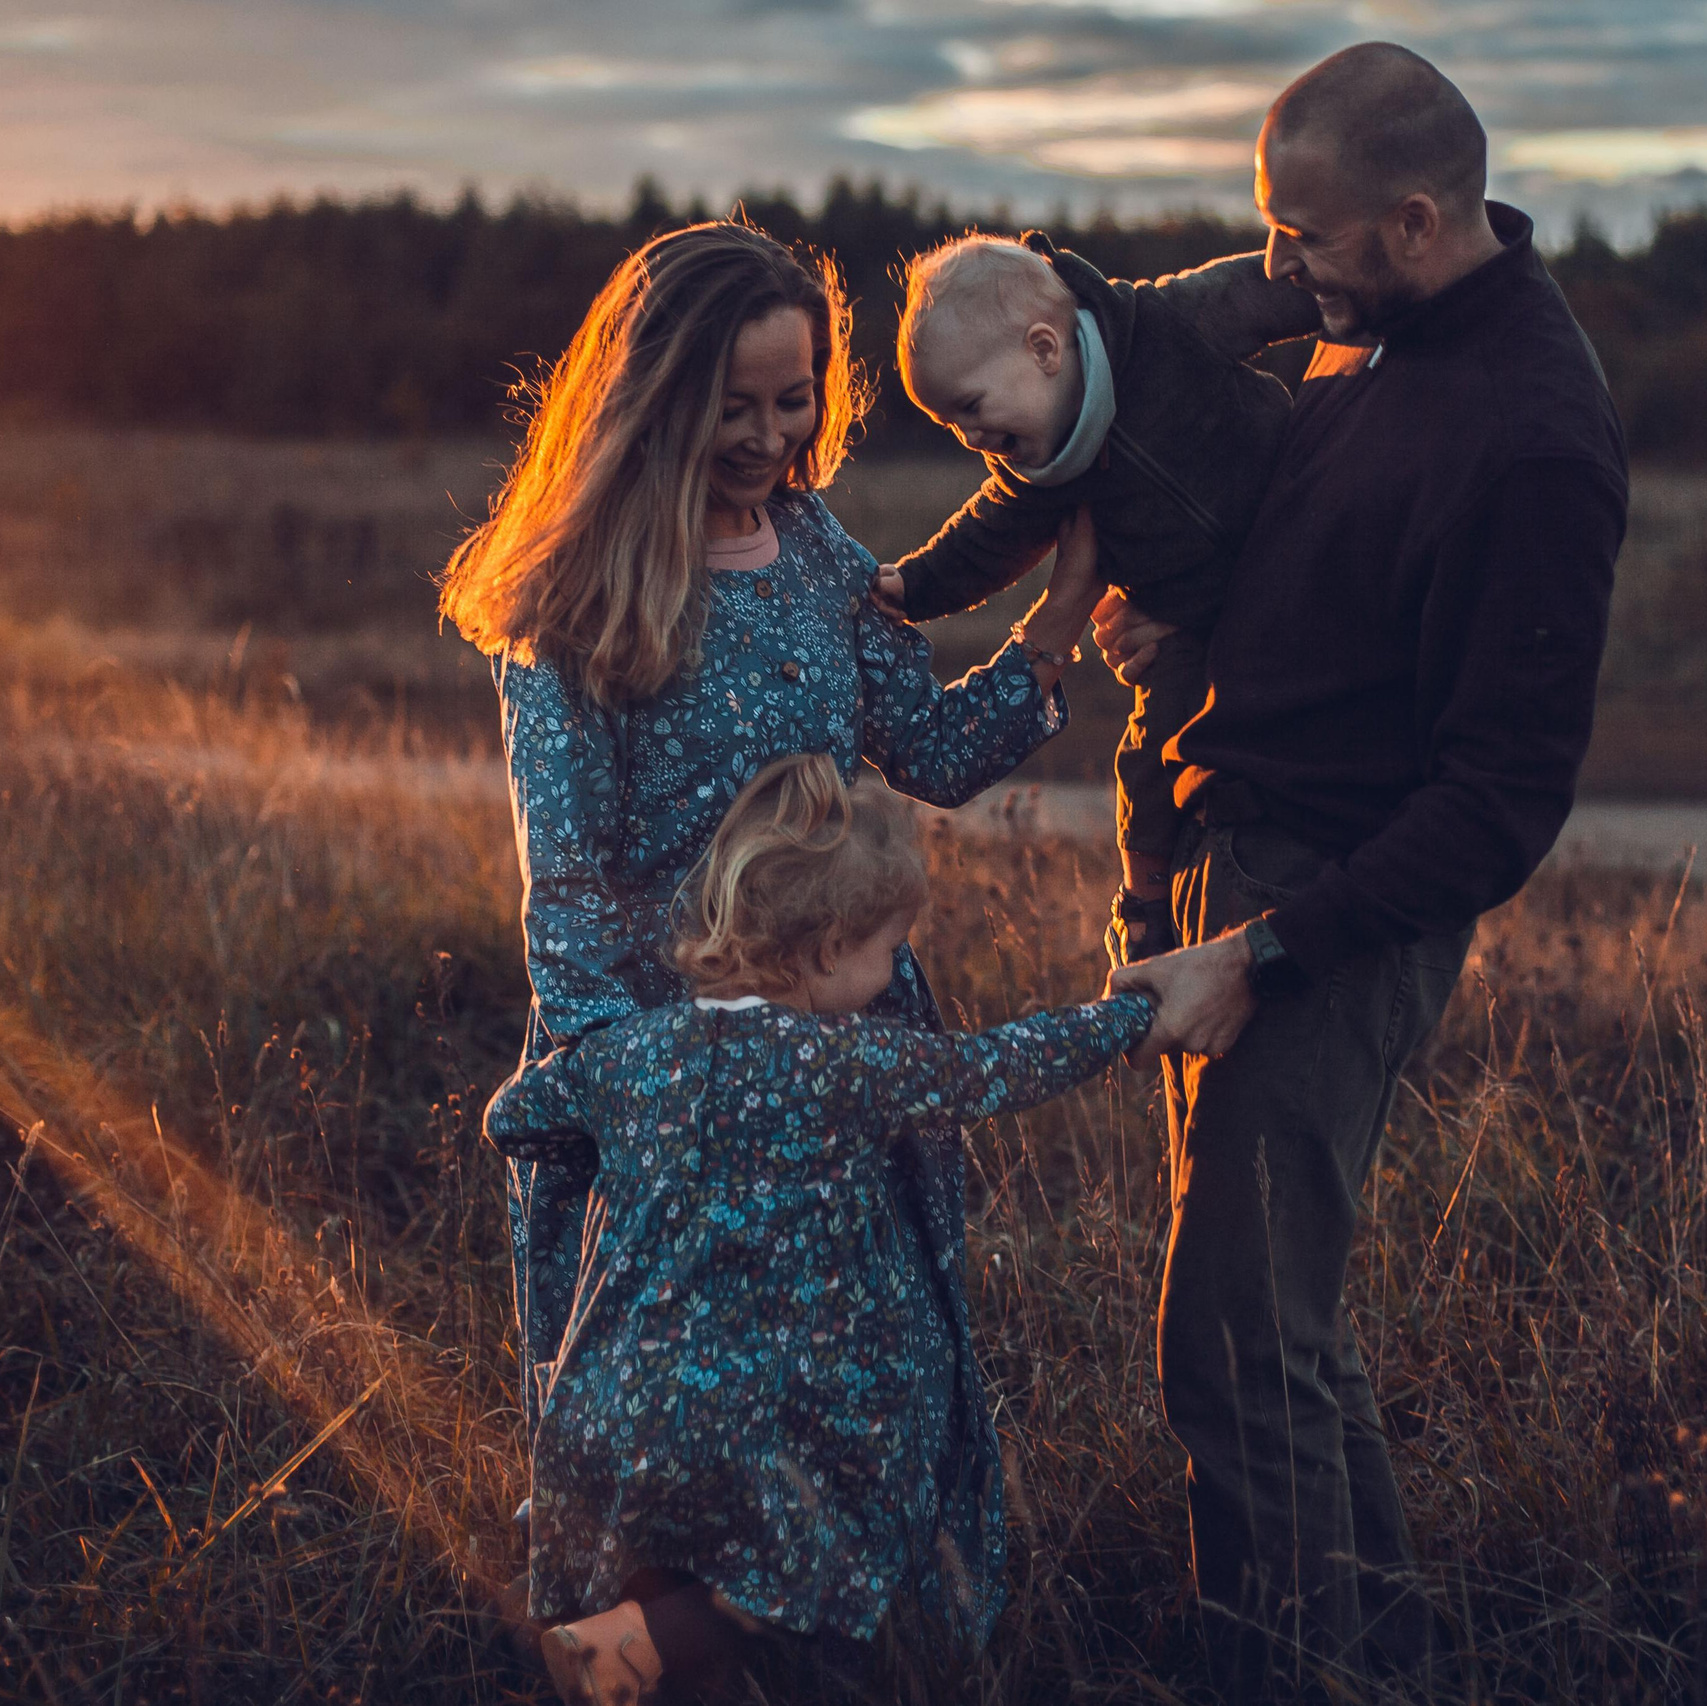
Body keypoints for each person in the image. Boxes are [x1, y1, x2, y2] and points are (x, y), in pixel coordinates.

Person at [438, 221, 1107, 1676]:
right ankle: (642, 1653)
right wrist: (655, 1088)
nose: (766, 434)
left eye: (793, 398)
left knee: (865, 1407)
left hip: (851, 1058)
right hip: (665, 1084)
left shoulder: (813, 548)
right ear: (650, 390)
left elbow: (922, 749)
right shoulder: (573, 593)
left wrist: (1054, 623)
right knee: (679, 1434)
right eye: (730, 404)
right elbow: (569, 894)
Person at [1093, 41, 1628, 1698]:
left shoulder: (1534, 436)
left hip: (1331, 916)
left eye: (1301, 235)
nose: (1278, 268)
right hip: (1236, 858)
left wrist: (1261, 953)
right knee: (1279, 1342)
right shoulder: (1356, 329)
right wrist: (1185, 620)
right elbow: (1309, 552)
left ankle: (1274, 1671)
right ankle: (1381, 1656)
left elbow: (1497, 804)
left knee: (1233, 1350)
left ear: (1412, 218)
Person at [483, 753, 1164, 1704]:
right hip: (772, 1423)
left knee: (688, 1635)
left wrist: (625, 1151)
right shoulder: (849, 1065)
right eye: (890, 949)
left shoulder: (630, 1055)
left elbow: (512, 1118)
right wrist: (1127, 1015)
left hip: (617, 1409)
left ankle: (626, 1640)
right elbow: (992, 1070)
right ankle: (627, 1641)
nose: (894, 975)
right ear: (826, 948)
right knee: (815, 1587)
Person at [875, 234, 1318, 959]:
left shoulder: (1165, 327)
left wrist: (1361, 294)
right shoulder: (1041, 471)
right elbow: (984, 542)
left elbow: (1263, 292)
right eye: (951, 426)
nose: (971, 438)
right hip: (1184, 624)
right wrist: (914, 585)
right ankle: (1146, 902)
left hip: (1295, 542)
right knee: (1151, 755)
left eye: (971, 407)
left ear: (1045, 349)